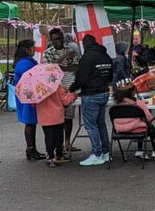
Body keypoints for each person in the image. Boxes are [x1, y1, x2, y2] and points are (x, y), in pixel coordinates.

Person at [73, 34, 114, 166]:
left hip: (91, 94)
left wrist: (72, 88)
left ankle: (96, 153)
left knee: (91, 126)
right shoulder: (106, 56)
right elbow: (111, 75)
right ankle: (106, 152)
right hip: (104, 92)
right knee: (101, 124)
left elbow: (82, 78)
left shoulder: (87, 58)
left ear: (84, 45)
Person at [43, 27, 80, 159]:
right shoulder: (48, 52)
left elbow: (75, 66)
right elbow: (50, 69)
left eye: (60, 38)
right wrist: (64, 60)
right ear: (51, 40)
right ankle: (54, 149)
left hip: (69, 83)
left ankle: (67, 142)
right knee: (57, 119)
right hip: (55, 88)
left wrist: (60, 66)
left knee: (68, 117)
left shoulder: (71, 49)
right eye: (55, 40)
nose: (58, 41)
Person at [12, 39, 42, 160]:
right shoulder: (26, 63)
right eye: (33, 47)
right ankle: (30, 149)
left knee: (31, 122)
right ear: (27, 49)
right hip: (28, 95)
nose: (34, 50)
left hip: (27, 95)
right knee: (30, 122)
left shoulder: (24, 62)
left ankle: (32, 148)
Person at [35, 80, 78, 165]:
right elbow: (66, 101)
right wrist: (73, 94)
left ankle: (50, 157)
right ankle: (59, 154)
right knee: (59, 136)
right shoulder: (58, 88)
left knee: (48, 137)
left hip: (44, 117)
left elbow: (33, 103)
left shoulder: (38, 89)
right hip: (57, 117)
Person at [111, 82, 155, 154]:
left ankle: (140, 151)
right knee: (149, 127)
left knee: (141, 123)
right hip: (136, 129)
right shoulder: (138, 104)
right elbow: (149, 119)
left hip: (119, 129)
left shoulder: (116, 106)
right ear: (133, 92)